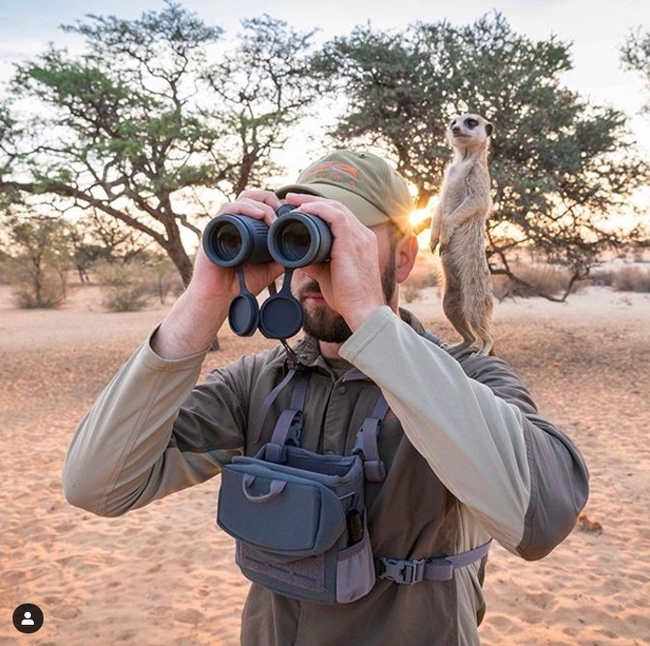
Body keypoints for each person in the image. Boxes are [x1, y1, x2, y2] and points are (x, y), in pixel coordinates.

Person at [62, 150, 589, 645]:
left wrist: (369, 321)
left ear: (403, 256)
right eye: (299, 236)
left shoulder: (468, 379)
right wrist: (204, 300)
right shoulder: (259, 383)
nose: (314, 267)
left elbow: (541, 520)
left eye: (341, 236)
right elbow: (98, 485)